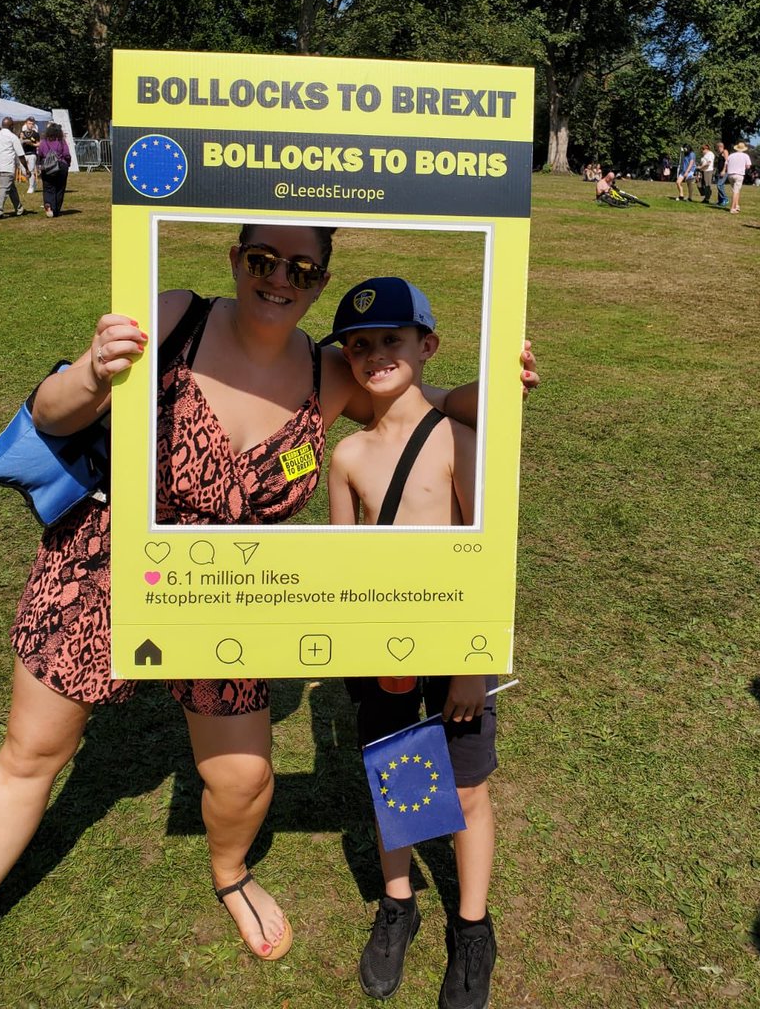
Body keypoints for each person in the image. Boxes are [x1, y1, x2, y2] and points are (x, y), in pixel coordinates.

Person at [0, 223, 539, 1009]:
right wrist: (93, 370)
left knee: (242, 778)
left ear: (320, 281)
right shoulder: (176, 316)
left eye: (301, 269)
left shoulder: (328, 372)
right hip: (104, 567)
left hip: (228, 599)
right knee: (32, 753)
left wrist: (506, 383)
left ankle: (230, 873)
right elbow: (52, 414)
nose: (279, 279)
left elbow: (430, 403)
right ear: (236, 260)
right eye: (263, 260)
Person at [325, 277, 504, 1009]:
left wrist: (471, 667)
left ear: (427, 346)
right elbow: (342, 566)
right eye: (359, 346)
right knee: (396, 775)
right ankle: (397, 904)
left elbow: (486, 557)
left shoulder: (458, 438)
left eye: (391, 340)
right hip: (384, 650)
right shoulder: (347, 456)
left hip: (456, 644)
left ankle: (473, 927)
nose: (375, 355)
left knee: (464, 787)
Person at [0, 117, 29, 219]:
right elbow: (21, 155)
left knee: (11, 188)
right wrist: (26, 168)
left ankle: (19, 208)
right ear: (12, 126)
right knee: (4, 189)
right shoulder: (13, 137)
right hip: (7, 166)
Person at [37, 122, 71, 218]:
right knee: (60, 188)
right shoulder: (61, 141)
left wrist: (39, 165)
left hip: (47, 167)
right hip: (61, 166)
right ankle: (56, 210)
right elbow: (66, 154)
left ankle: (48, 204)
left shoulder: (44, 142)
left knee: (48, 187)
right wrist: (68, 163)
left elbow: (39, 154)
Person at [725, 141, 752, 214]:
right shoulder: (745, 156)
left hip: (730, 174)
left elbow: (726, 164)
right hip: (739, 174)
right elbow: (748, 166)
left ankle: (737, 205)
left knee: (735, 190)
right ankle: (732, 208)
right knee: (736, 191)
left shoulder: (731, 155)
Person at [18, 117, 41, 194]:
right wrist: (21, 138)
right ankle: (33, 183)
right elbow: (18, 143)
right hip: (23, 154)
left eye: (32, 124)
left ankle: (31, 187)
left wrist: (31, 144)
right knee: (24, 171)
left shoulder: (35, 134)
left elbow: (38, 144)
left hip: (32, 153)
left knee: (31, 170)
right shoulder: (22, 133)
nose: (30, 125)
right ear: (26, 124)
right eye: (29, 123)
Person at [713, 142, 730, 207]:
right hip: (719, 171)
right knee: (721, 186)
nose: (716, 149)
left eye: (717, 148)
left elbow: (726, 161)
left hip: (724, 171)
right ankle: (720, 201)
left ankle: (725, 199)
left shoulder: (725, 151)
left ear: (719, 147)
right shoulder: (720, 154)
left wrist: (723, 170)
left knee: (719, 185)